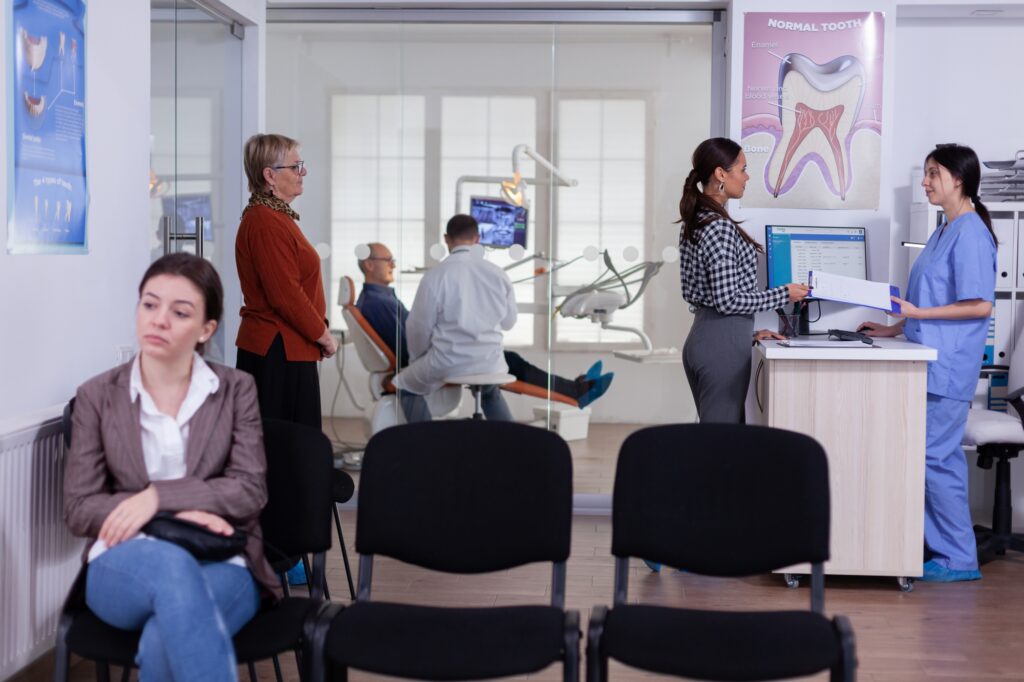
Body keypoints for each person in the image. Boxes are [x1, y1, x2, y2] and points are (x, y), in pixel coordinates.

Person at [63, 253, 279, 681]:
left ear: (206, 329)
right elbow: (80, 509)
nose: (159, 320)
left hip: (223, 562)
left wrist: (158, 498)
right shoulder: (97, 396)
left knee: (164, 639)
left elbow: (250, 490)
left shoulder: (235, 390)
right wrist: (178, 513)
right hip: (122, 563)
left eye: (180, 312)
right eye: (149, 304)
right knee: (171, 567)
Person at [858, 144, 996, 583]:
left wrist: (915, 317)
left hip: (949, 366)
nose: (925, 181)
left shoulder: (971, 233)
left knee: (937, 458)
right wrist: (894, 328)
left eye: (933, 174)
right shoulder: (944, 230)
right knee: (928, 456)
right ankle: (940, 548)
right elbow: (933, 301)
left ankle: (959, 558)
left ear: (958, 179)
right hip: (930, 359)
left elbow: (978, 306)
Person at [356, 242, 614, 416]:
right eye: (387, 260)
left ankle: (574, 389)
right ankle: (576, 391)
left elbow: (417, 330)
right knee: (504, 362)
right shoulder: (376, 303)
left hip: (439, 356)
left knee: (501, 365)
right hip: (429, 363)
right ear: (369, 265)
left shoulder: (383, 298)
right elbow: (406, 344)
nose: (393, 264)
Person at [678, 137, 810, 424]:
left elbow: (706, 296)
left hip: (713, 338)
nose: (748, 176)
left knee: (720, 443)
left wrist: (746, 335)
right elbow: (727, 299)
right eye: (743, 169)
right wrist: (783, 294)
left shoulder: (700, 218)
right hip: (719, 345)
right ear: (721, 174)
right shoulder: (718, 226)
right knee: (720, 448)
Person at [235, 133, 337, 430]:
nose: (302, 172)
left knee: (293, 452)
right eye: (295, 167)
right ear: (270, 175)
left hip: (289, 348)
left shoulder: (277, 218)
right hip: (277, 352)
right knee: (286, 453)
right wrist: (324, 335)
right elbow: (285, 294)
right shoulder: (265, 221)